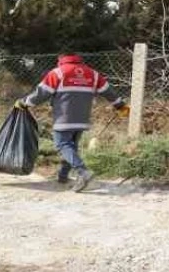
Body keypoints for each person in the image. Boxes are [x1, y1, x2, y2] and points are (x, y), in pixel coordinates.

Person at [15, 53, 130, 192]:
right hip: (82, 119)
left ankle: (84, 173)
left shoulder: (58, 72)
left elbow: (42, 93)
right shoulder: (92, 73)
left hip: (64, 118)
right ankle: (63, 176)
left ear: (61, 59)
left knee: (62, 144)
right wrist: (120, 105)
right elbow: (108, 91)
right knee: (71, 147)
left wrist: (25, 102)